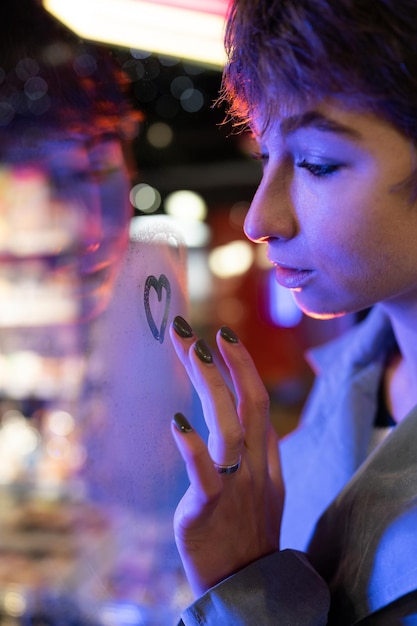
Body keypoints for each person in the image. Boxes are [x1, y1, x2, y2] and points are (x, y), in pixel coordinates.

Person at [168, 0, 417, 623]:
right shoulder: (350, 383)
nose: (258, 219)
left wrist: (246, 594)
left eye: (317, 163)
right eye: (265, 157)